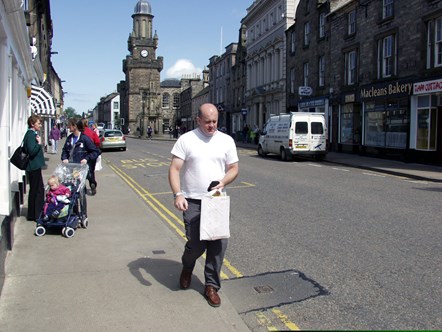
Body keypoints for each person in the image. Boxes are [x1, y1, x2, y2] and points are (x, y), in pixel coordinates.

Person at [168, 103, 239, 307]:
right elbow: (174, 169)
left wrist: (224, 182)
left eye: (215, 121)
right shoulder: (187, 139)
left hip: (216, 201)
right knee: (196, 245)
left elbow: (234, 168)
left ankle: (211, 286)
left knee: (218, 246)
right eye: (207, 121)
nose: (211, 125)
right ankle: (187, 267)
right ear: (198, 119)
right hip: (192, 201)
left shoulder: (226, 140)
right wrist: (178, 194)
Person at [23, 114, 46, 221]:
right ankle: (37, 214)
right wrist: (39, 144)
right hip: (33, 166)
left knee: (36, 190)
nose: (40, 125)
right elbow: (32, 151)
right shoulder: (31, 135)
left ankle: (33, 214)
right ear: (32, 124)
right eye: (38, 123)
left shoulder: (31, 134)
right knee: (38, 191)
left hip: (34, 166)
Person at [78, 119, 101, 195]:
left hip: (81, 155)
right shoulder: (92, 132)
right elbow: (98, 142)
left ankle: (83, 188)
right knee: (91, 171)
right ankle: (92, 183)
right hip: (91, 155)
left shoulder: (80, 133)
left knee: (81, 172)